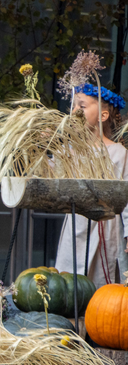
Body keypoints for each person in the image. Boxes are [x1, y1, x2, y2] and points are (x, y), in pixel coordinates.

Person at [55, 84, 128, 288]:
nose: (75, 111)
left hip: (104, 225)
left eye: (82, 105)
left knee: (100, 285)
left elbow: (127, 197)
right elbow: (55, 178)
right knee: (68, 282)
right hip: (75, 222)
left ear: (103, 116)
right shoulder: (69, 150)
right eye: (73, 106)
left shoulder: (117, 152)